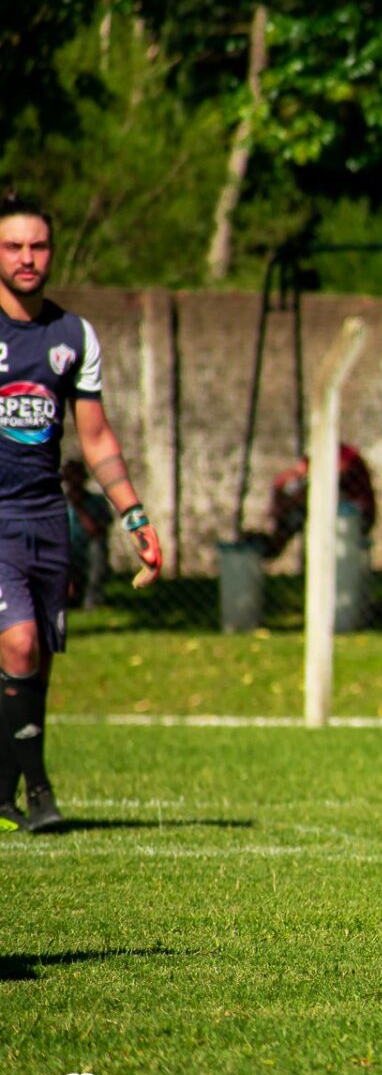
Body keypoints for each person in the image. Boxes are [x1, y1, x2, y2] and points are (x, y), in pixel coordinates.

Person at [0, 197, 163, 833]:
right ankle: (40, 794)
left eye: (36, 247)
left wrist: (135, 516)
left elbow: (95, 439)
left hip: (47, 518)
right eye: (13, 247)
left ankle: (3, 792)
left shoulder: (75, 337)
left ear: (52, 252)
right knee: (18, 642)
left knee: (35, 661)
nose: (26, 258)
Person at [62, 459, 114, 609]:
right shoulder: (57, 503)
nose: (73, 481)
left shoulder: (97, 502)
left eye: (76, 476)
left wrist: (79, 507)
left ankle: (92, 600)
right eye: (69, 477)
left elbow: (97, 531)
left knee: (97, 547)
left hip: (87, 552)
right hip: (64, 553)